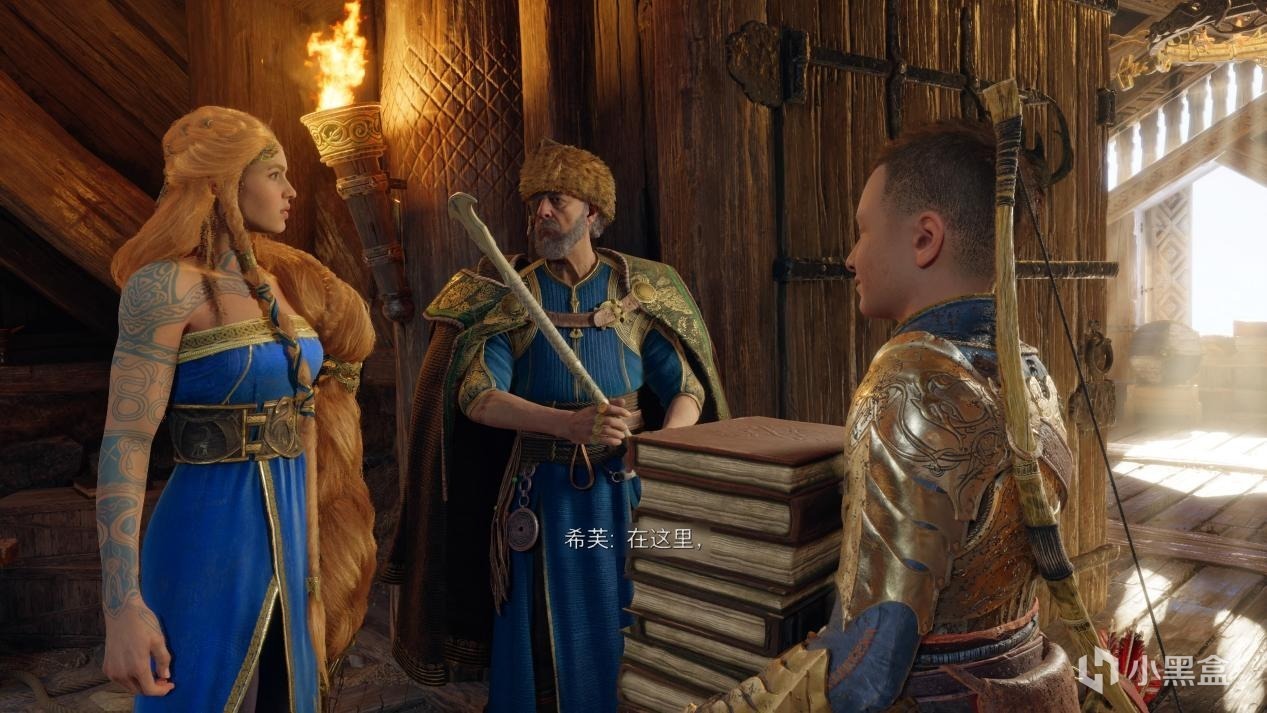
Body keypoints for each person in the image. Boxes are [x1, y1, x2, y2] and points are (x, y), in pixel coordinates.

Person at [688, 120, 1081, 712]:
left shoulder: (911, 382)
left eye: (863, 231)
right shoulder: (1032, 370)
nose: (851, 258)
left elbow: (866, 667)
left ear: (925, 238)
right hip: (1028, 679)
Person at [385, 140, 730, 711]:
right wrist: (566, 423)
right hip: (540, 494)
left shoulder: (637, 289)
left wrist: (664, 444)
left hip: (625, 491)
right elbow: (478, 396)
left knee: (632, 614)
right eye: (534, 203)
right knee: (543, 631)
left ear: (593, 212)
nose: (541, 212)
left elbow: (687, 387)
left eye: (557, 200)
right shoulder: (510, 291)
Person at [96, 105, 377, 712]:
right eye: (274, 174)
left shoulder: (272, 284)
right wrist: (120, 606)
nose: (290, 190)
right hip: (207, 540)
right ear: (225, 182)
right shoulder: (163, 287)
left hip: (295, 538)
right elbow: (126, 442)